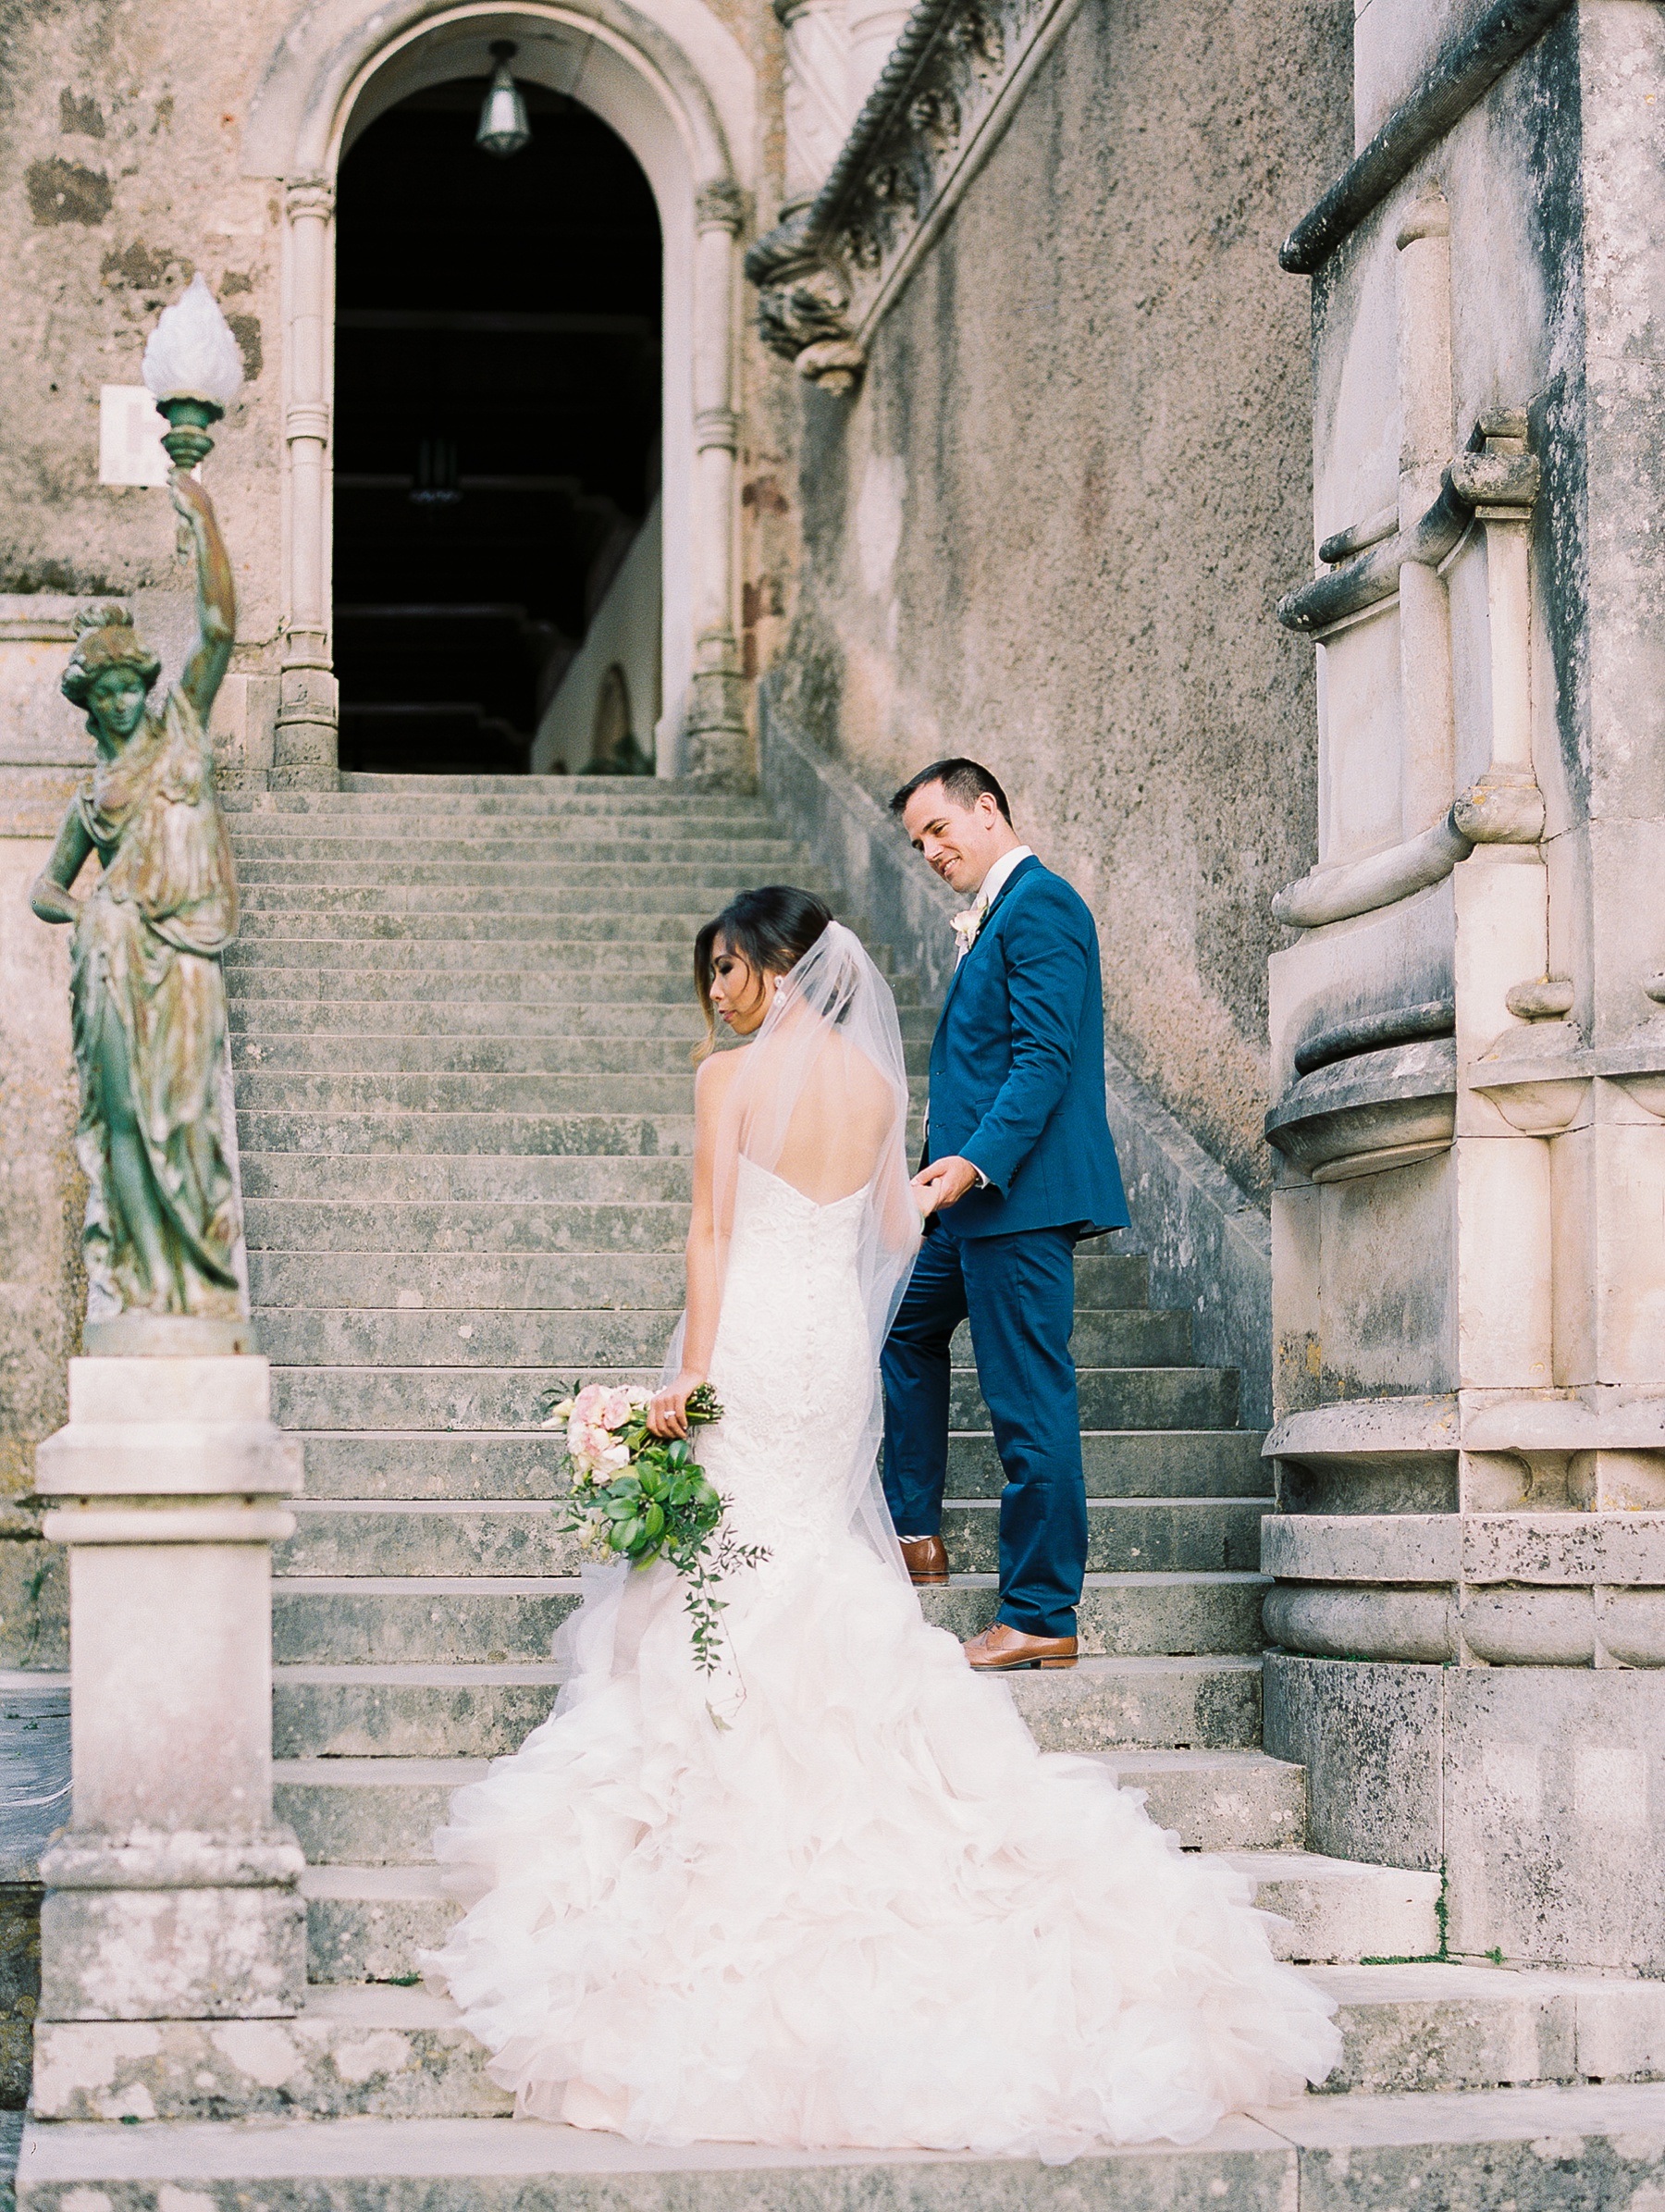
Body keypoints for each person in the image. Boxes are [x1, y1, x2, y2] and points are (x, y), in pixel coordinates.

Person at [423, 887, 1339, 2157]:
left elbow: (706, 1228)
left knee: (741, 1546)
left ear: (777, 972)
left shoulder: (724, 1079)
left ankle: (715, 1762)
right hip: (830, 1352)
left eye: (736, 968)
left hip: (749, 1332)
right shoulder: (869, 1090)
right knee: (804, 1535)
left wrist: (684, 1381)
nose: (725, 992)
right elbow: (899, 1229)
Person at [882, 759, 1127, 1670]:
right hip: (966, 1201)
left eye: (940, 829)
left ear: (988, 812)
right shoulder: (996, 913)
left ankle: (1040, 1614)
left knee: (1028, 1407)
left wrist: (974, 1165)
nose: (930, 851)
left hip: (1017, 1200)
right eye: (918, 843)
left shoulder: (1042, 905)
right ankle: (915, 1533)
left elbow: (1044, 1061)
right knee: (900, 1329)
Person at [29, 470, 242, 1321]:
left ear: (144, 687)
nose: (120, 699)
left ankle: (191, 1284)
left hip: (186, 955)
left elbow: (220, 631)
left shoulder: (180, 724)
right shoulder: (94, 797)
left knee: (187, 1119)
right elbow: (47, 884)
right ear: (89, 702)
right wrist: (91, 914)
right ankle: (149, 1282)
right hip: (117, 960)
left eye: (129, 684)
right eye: (105, 689)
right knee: (123, 1120)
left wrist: (207, 524)